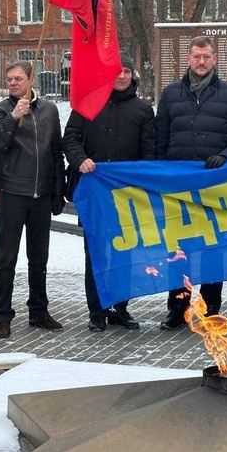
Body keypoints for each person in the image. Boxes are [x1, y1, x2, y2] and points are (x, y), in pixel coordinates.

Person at [154, 36, 227, 330]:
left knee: (213, 250)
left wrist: (224, 157)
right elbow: (160, 138)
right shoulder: (171, 94)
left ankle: (210, 310)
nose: (201, 62)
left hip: (214, 186)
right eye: (196, 57)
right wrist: (159, 176)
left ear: (214, 59)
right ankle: (178, 307)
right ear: (188, 59)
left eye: (206, 57)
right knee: (178, 251)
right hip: (177, 188)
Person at [63, 55, 155, 333]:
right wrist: (80, 160)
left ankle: (119, 308)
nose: (122, 76)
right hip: (94, 192)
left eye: (127, 71)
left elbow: (149, 154)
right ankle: (96, 311)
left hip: (127, 196)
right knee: (95, 253)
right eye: (117, 72)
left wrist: (140, 179)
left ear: (132, 75)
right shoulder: (87, 104)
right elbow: (70, 138)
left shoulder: (142, 110)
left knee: (125, 253)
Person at [0, 60, 65, 339]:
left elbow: (56, 152)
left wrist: (58, 190)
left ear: (31, 80)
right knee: (7, 257)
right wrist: (13, 117)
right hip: (13, 193)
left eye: (18, 78)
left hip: (41, 194)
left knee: (39, 257)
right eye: (9, 79)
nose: (13, 83)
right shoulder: (0, 111)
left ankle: (39, 310)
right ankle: (3, 315)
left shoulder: (49, 110)